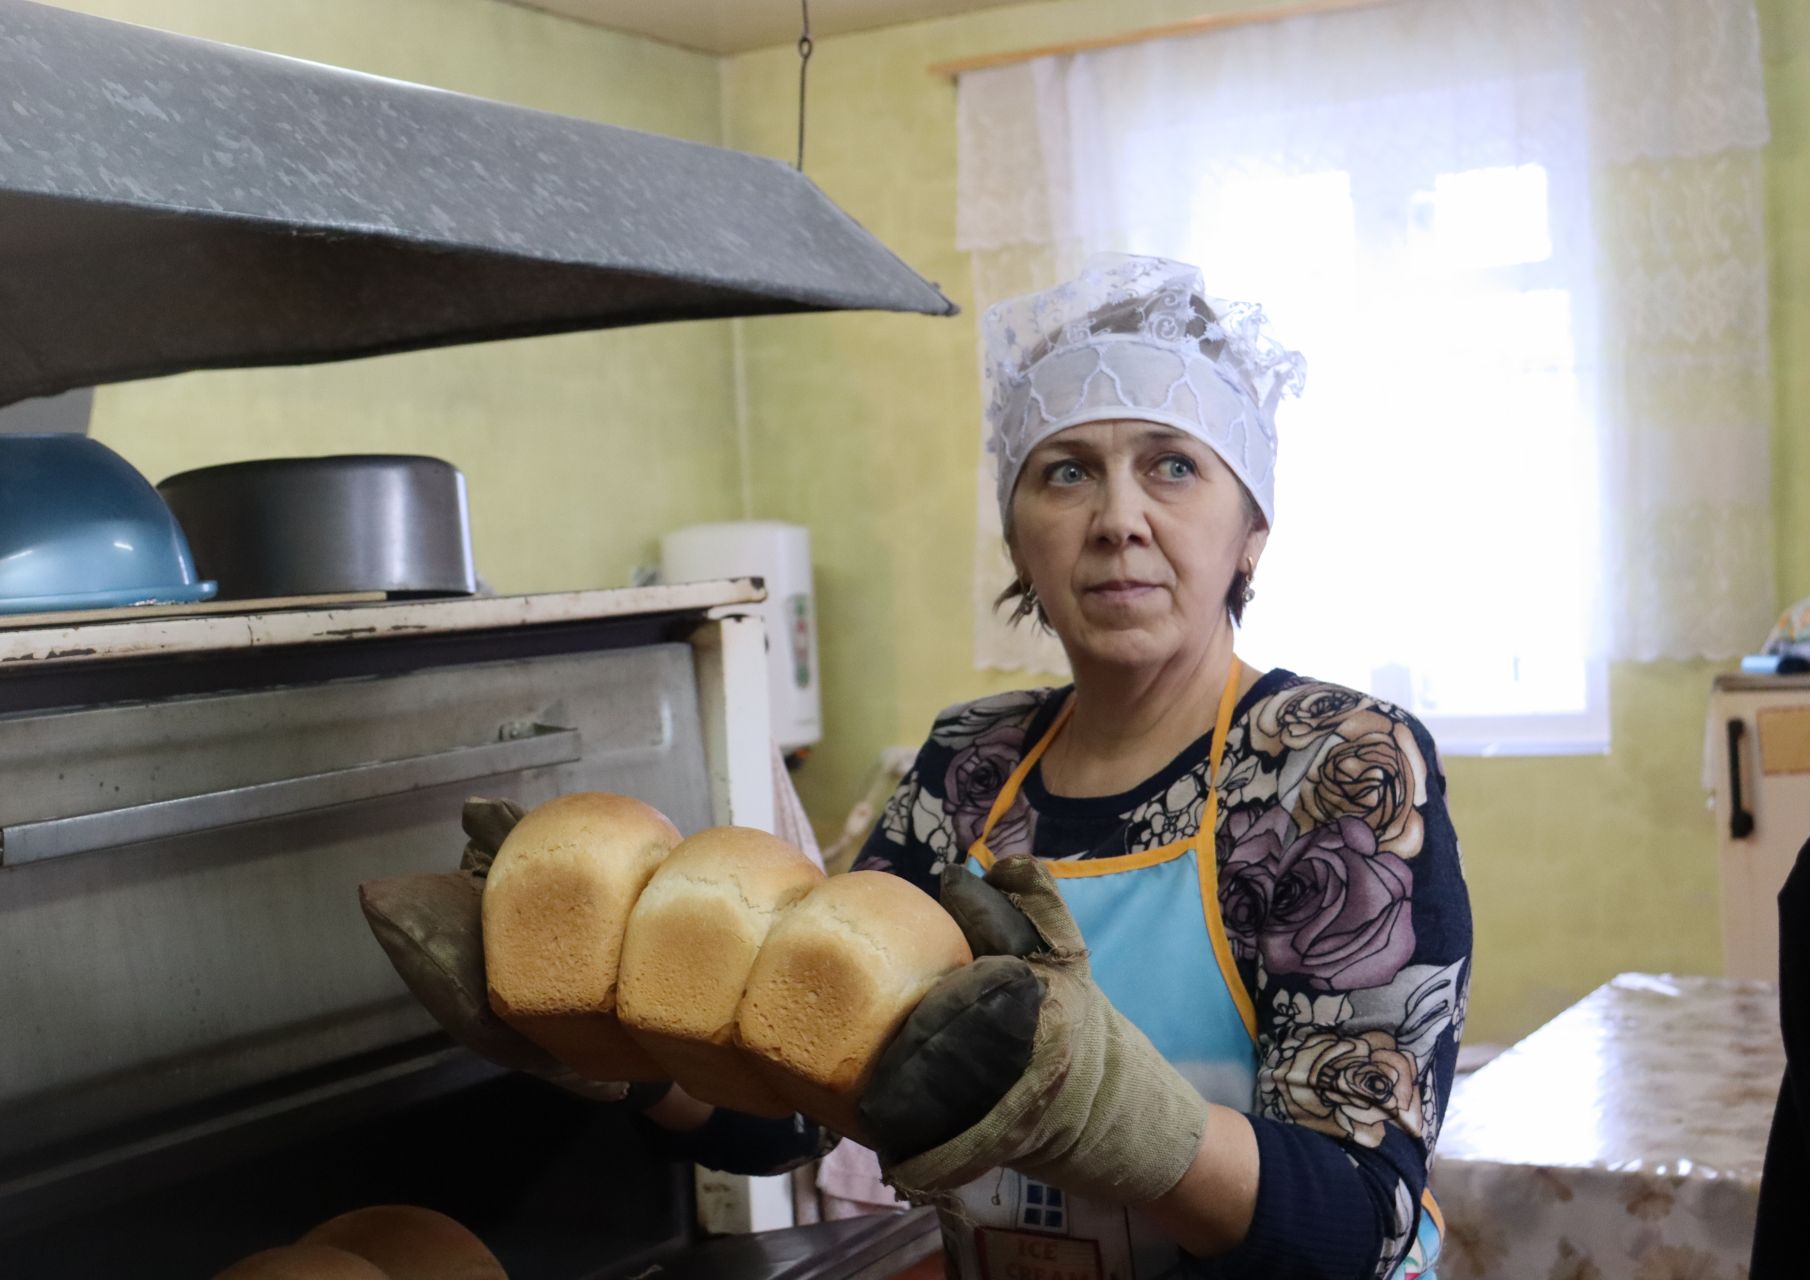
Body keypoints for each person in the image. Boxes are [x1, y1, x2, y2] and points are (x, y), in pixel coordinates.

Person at [362, 255, 1471, 1280]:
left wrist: (1112, 1117)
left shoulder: (1337, 767)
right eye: (1067, 471)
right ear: (1017, 531)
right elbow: (801, 1104)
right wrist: (611, 1048)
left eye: (1172, 466)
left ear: (1252, 529)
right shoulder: (969, 767)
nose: (1118, 520)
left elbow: (1357, 1216)